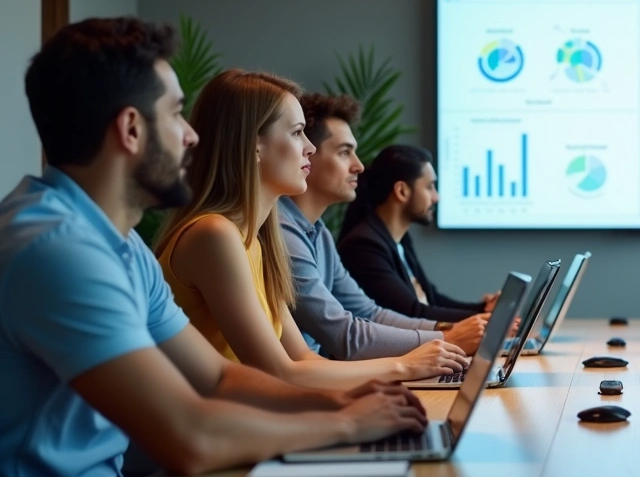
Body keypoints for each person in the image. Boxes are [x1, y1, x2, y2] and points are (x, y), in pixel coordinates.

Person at [0, 18, 426, 477]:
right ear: (131, 129)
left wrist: (343, 400)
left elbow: (219, 375)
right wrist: (344, 422)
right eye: (176, 114)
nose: (191, 135)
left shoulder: (121, 243)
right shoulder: (58, 251)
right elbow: (189, 436)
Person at [155, 70, 468, 389]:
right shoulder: (214, 235)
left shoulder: (257, 239)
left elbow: (303, 359)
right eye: (296, 133)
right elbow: (279, 372)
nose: (310, 148)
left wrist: (407, 369)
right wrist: (404, 367)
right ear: (254, 146)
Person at [279, 93, 487, 359]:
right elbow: (344, 335)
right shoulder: (282, 233)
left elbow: (369, 313)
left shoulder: (320, 234)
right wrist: (446, 337)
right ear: (308, 155)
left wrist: (453, 331)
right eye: (344, 152)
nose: (359, 166)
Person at [337, 145, 498, 320]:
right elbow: (412, 313)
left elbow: (431, 298)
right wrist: (487, 320)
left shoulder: (401, 239)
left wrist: (485, 309)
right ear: (402, 191)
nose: (436, 197)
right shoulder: (363, 246)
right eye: (430, 187)